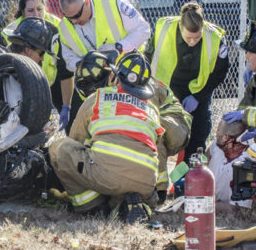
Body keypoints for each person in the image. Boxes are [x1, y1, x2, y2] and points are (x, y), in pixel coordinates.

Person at [48, 51, 191, 221]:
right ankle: (139, 202)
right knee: (143, 152)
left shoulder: (97, 98)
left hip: (107, 175)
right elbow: (156, 147)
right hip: (146, 182)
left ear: (114, 77)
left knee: (60, 148)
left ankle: (92, 207)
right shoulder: (150, 108)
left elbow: (76, 141)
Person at [145, 2, 229, 164]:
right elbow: (147, 58)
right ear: (180, 27)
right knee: (160, 136)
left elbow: (220, 72)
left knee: (197, 137)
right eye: (188, 37)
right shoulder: (164, 29)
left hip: (198, 93)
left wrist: (198, 97)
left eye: (197, 38)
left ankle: (189, 180)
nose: (192, 42)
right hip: (165, 91)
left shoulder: (215, 37)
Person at [58, 0, 151, 130]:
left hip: (129, 80)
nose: (75, 21)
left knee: (130, 126)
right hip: (96, 90)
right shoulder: (64, 27)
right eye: (69, 18)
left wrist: (119, 47)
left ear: (87, 3)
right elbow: (68, 59)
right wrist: (83, 64)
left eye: (77, 16)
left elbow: (143, 30)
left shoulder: (114, 3)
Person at [2, 0, 73, 129]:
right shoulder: (13, 31)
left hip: (51, 83)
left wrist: (67, 106)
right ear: (22, 12)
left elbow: (65, 72)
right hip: (24, 84)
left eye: (40, 9)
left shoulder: (58, 28)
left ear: (45, 8)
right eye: (30, 10)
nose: (36, 14)